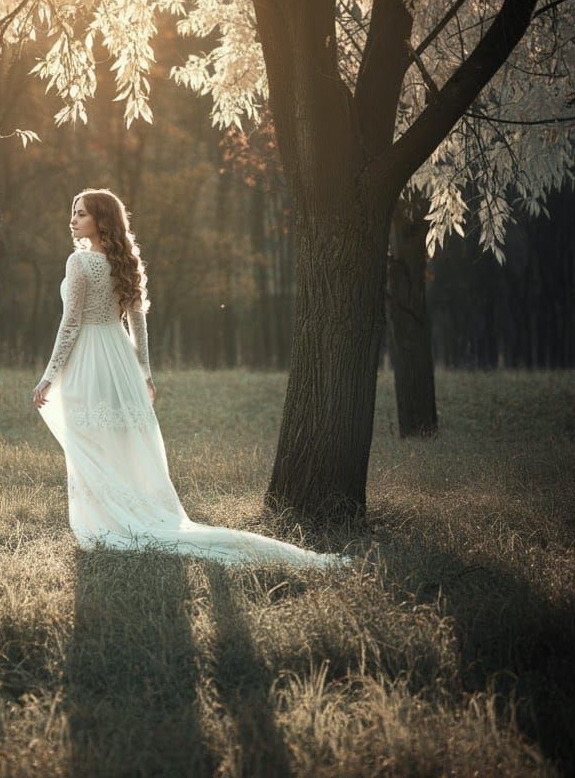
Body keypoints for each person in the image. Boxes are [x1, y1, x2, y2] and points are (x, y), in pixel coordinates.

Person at [32, 187, 349, 569]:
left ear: (101, 220)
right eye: (73, 211)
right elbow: (137, 324)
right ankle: (120, 516)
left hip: (89, 360)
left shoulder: (78, 263)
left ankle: (106, 524)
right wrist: (144, 373)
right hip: (119, 362)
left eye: (81, 213)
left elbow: (70, 325)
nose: (73, 219)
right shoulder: (125, 261)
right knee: (114, 444)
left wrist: (49, 375)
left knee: (91, 445)